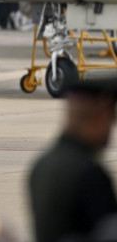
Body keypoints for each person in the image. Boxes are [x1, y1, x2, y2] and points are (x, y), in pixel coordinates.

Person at [28, 75, 117, 242]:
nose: (110, 131)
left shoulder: (42, 165)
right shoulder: (89, 174)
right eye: (110, 120)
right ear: (99, 117)